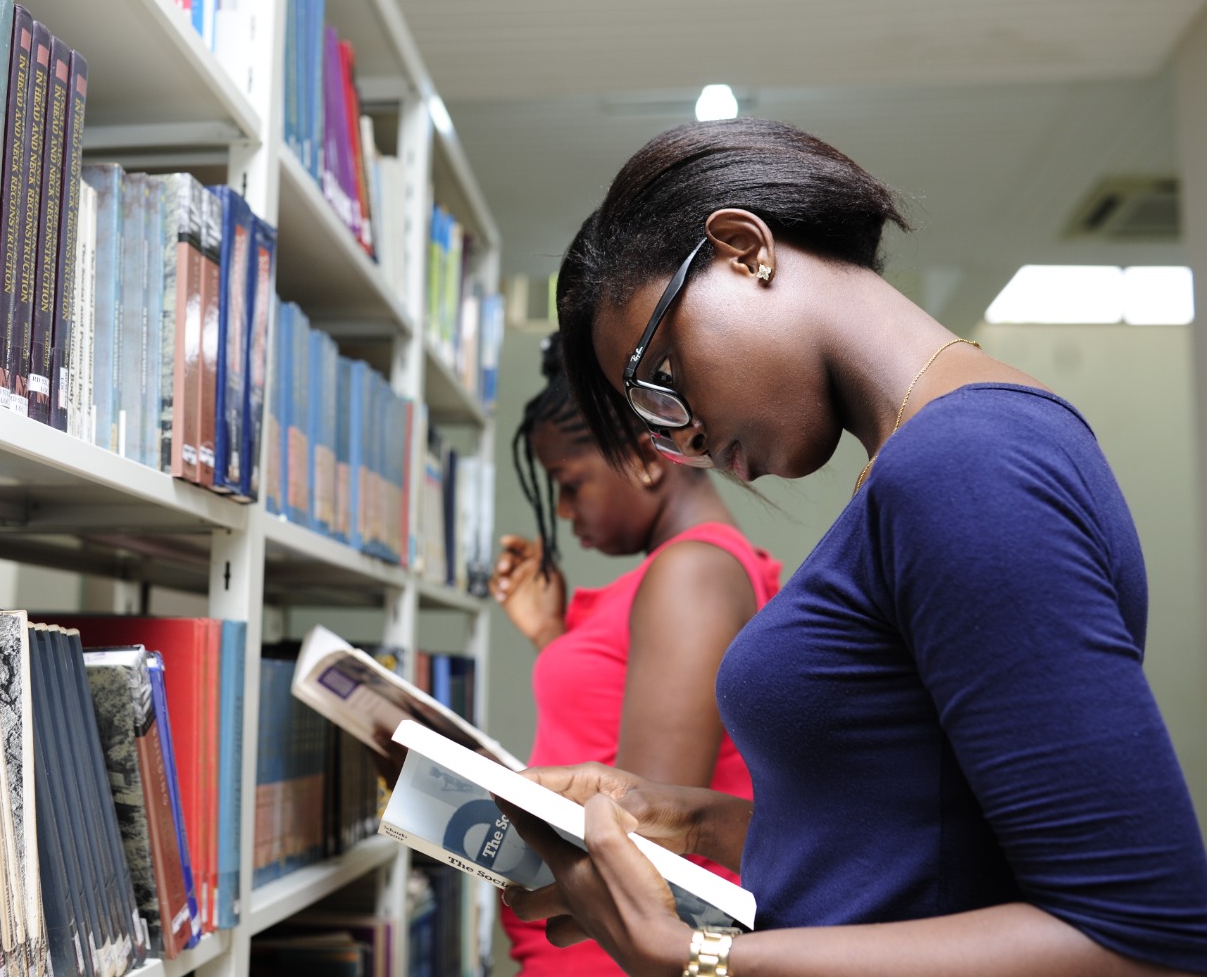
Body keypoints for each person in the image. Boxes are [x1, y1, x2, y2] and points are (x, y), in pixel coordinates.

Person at [499, 118, 1207, 977]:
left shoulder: (963, 464)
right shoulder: (941, 457)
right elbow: (931, 851)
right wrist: (685, 818)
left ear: (742, 250)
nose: (682, 435)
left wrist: (700, 960)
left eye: (662, 382)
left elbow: (1143, 933)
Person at [493, 332, 780, 976]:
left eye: (570, 484)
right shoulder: (678, 574)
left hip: (617, 957)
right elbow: (602, 729)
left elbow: (642, 824)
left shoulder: (692, 575)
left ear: (642, 458)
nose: (565, 512)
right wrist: (549, 634)